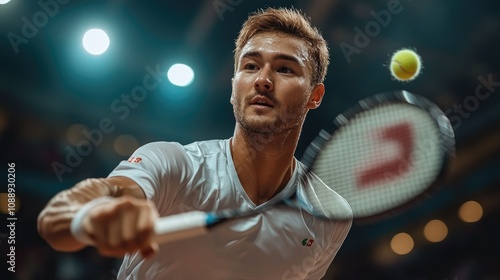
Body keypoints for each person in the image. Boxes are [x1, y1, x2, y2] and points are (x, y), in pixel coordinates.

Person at [38, 7, 352, 280]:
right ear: (233, 88)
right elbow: (56, 221)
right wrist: (91, 217)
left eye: (285, 69)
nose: (263, 80)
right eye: (251, 66)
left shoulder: (331, 215)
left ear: (315, 96)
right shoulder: (173, 162)